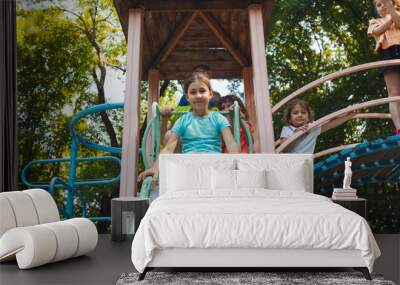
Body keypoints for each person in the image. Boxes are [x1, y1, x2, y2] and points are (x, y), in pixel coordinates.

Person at [138, 72, 240, 181]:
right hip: (189, 166)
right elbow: (168, 148)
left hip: (213, 164)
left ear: (210, 94)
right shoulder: (183, 120)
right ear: (187, 97)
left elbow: (231, 143)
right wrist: (155, 168)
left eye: (202, 91)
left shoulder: (218, 118)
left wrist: (238, 164)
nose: (198, 96)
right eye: (193, 92)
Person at [276, 99, 359, 154]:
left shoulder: (312, 127)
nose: (300, 115)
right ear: (289, 119)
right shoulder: (287, 130)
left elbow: (331, 123)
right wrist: (296, 135)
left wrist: (349, 114)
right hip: (288, 165)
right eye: (295, 113)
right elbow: (284, 150)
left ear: (308, 117)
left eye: (303, 112)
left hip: (304, 165)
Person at [368, 0, 400, 135]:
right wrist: (391, 16)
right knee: (393, 93)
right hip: (388, 54)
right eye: (379, 5)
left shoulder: (397, 14)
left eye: (385, 2)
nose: (383, 6)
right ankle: (399, 128)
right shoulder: (374, 21)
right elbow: (377, 31)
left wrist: (393, 11)